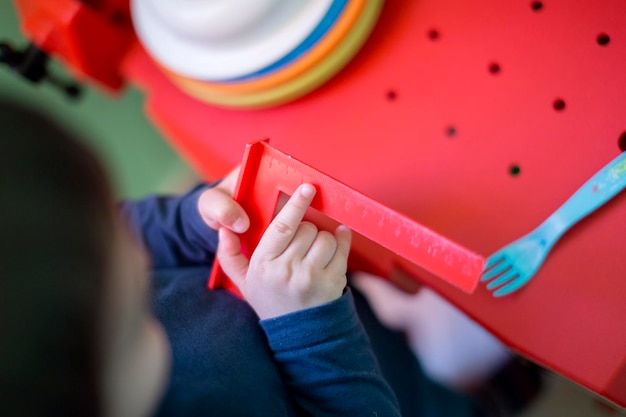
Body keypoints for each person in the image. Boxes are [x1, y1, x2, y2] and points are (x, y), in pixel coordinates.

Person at [0, 97, 401, 417]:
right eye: (133, 316)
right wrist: (312, 329)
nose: (142, 260)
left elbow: (136, 226)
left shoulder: (60, 258)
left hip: (374, 336)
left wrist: (192, 221)